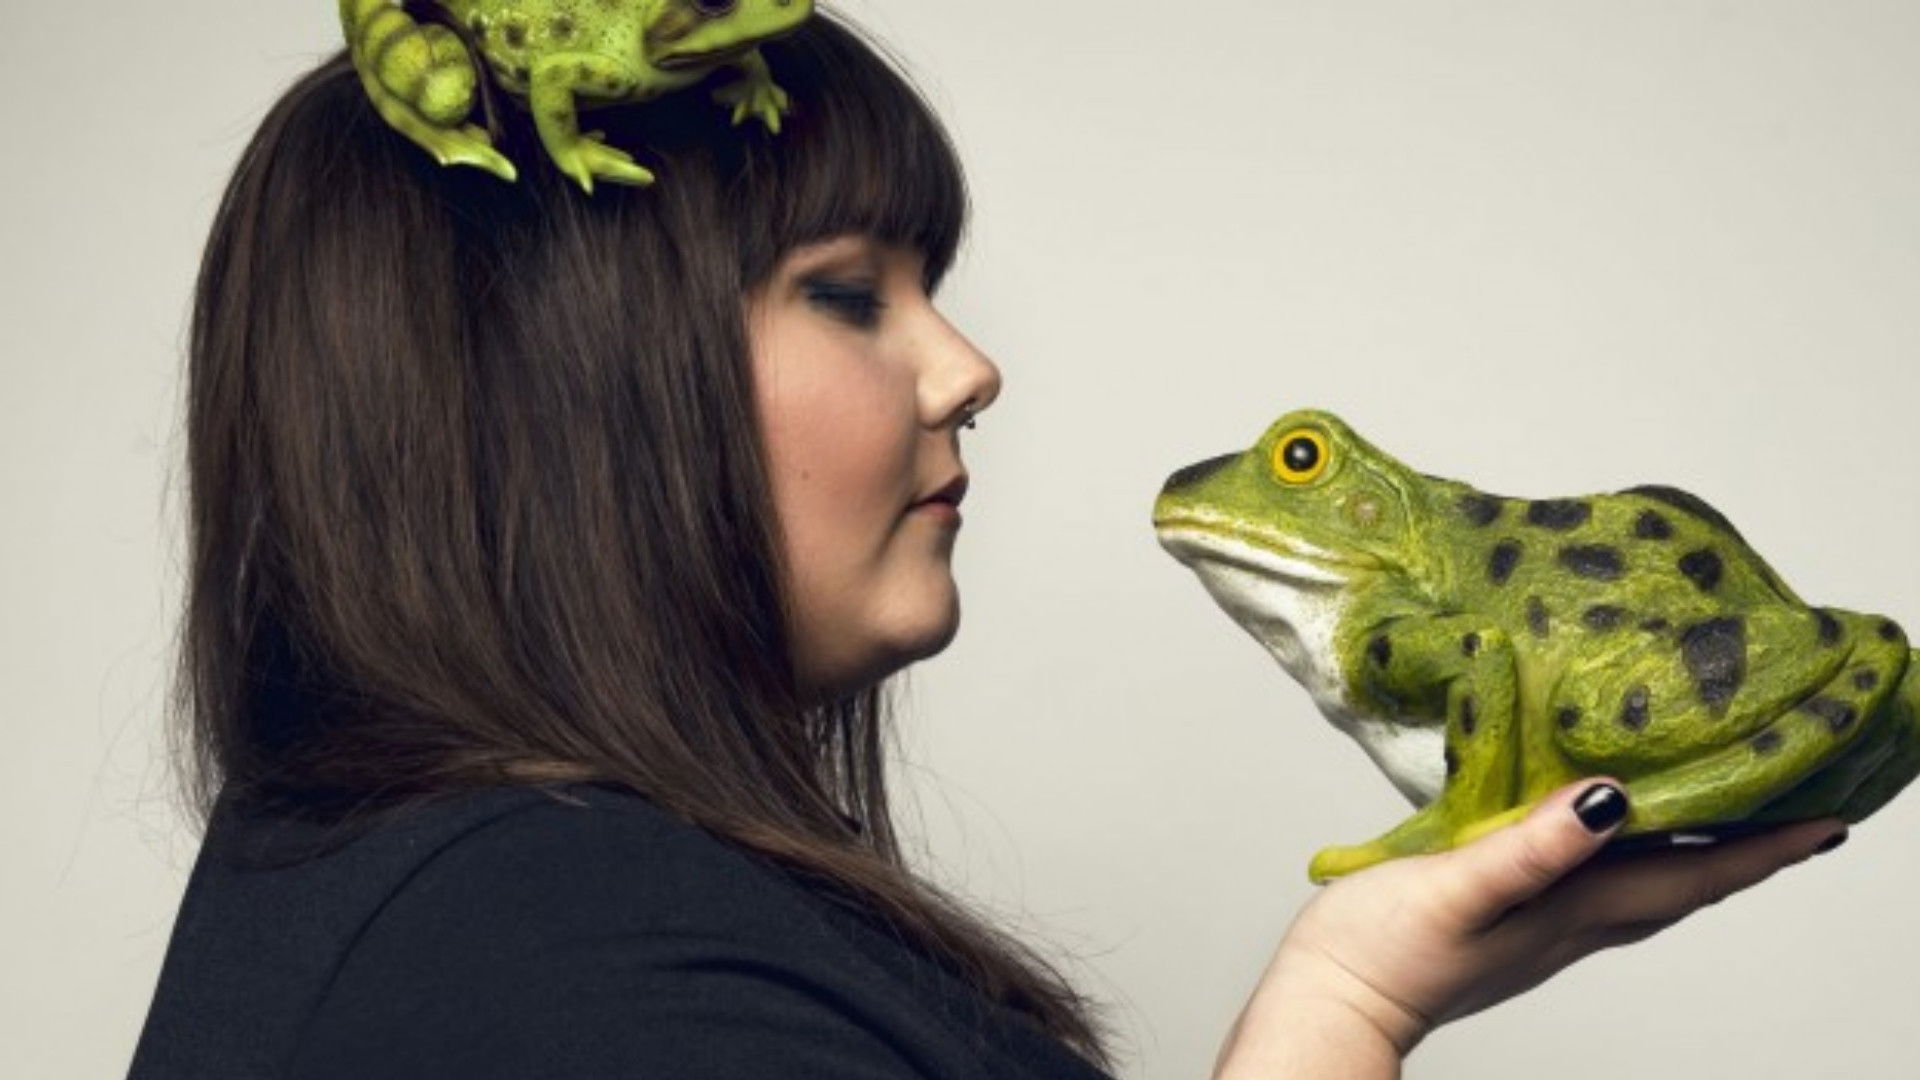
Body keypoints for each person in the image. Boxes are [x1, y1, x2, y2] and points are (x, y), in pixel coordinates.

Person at [129, 12, 1847, 1079]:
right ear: (551, 379)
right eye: (846, 292)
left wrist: (1355, 987)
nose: (965, 368)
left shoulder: (458, 890)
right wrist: (1343, 1020)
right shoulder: (586, 974)